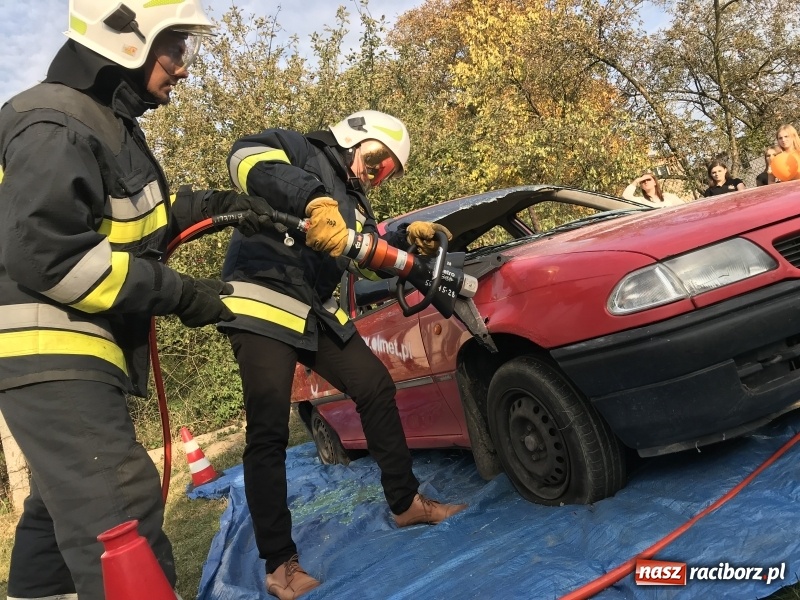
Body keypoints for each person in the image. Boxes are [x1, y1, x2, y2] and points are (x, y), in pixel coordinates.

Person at [0, 1, 275, 598]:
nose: (184, 66)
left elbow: (136, 227)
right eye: (174, 46)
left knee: (60, 516)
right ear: (125, 39)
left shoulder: (107, 124)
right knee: (117, 508)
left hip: (64, 353)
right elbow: (47, 253)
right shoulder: (55, 122)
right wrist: (180, 293)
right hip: (48, 350)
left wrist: (215, 207)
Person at [219, 110, 468, 599]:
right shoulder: (298, 148)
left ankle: (405, 502)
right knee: (267, 431)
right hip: (262, 301)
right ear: (356, 137)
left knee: (374, 385)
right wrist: (313, 198)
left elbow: (364, 251)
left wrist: (402, 238)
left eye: (387, 170)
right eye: (377, 160)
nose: (376, 174)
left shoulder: (354, 201)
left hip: (315, 312)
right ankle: (280, 565)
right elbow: (244, 156)